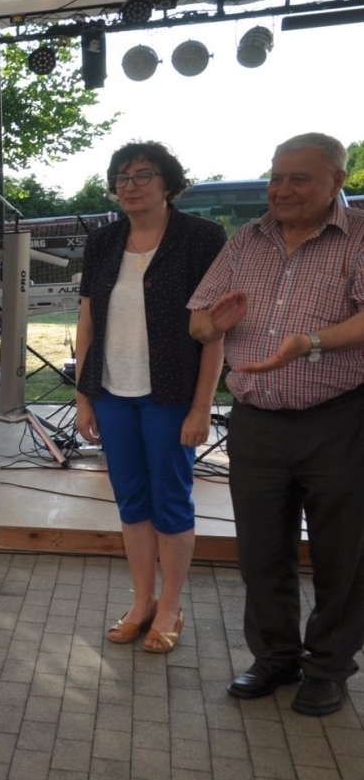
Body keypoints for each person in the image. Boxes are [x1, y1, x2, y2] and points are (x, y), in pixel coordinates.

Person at [188, 132, 364, 717]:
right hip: (257, 420)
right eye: (277, 176)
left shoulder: (358, 236)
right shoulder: (246, 241)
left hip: (339, 419)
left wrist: (311, 344)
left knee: (343, 551)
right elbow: (198, 325)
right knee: (261, 548)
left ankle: (329, 666)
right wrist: (213, 324)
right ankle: (275, 658)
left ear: (336, 181)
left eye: (300, 178)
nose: (282, 189)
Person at [74, 143, 226, 654]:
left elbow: (214, 332)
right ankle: (141, 602)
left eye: (143, 175)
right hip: (112, 392)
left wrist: (202, 407)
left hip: (170, 396)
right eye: (121, 176)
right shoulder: (103, 241)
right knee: (132, 501)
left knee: (171, 503)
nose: (129, 184)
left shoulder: (202, 239)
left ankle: (171, 606)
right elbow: (88, 320)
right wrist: (84, 397)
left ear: (168, 183)